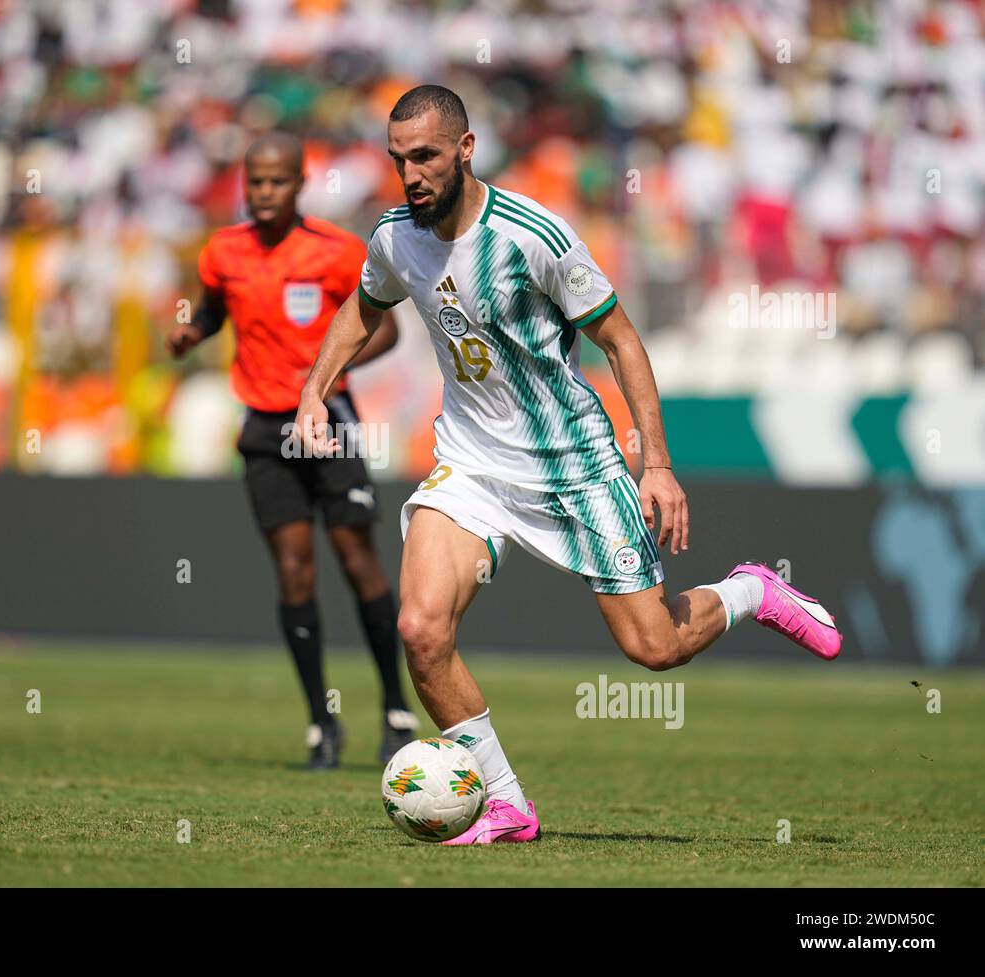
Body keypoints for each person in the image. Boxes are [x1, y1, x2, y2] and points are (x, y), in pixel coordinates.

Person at [295, 86, 842, 842]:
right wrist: (314, 391)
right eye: (398, 160)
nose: (410, 174)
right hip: (472, 465)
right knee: (421, 628)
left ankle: (752, 589)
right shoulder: (395, 237)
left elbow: (619, 338)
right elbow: (364, 305)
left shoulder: (533, 235)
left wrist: (656, 463)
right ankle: (508, 803)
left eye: (424, 156)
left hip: (575, 466)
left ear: (465, 148)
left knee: (654, 646)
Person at [169, 132, 419, 769]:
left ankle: (395, 708)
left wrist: (329, 375)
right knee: (293, 570)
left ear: (300, 182)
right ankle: (320, 723)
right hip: (263, 429)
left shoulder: (337, 253)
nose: (263, 193)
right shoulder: (224, 252)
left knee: (357, 559)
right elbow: (212, 310)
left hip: (327, 421)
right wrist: (190, 332)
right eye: (254, 183)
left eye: (276, 182)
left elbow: (385, 328)